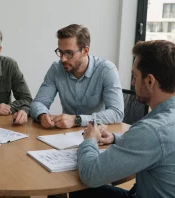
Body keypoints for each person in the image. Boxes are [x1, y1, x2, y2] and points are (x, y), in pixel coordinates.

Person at [70, 40, 175, 198]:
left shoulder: (151, 130)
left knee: (82, 191)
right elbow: (160, 145)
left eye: (135, 76)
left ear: (150, 81)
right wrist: (114, 138)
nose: (132, 82)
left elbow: (90, 174)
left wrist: (89, 140)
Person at [30, 24, 124, 129]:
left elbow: (117, 112)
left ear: (85, 51)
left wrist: (77, 120)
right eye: (60, 52)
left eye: (69, 53)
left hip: (97, 135)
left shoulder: (106, 70)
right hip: (64, 135)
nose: (63, 59)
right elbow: (38, 103)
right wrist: (42, 115)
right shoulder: (56, 69)